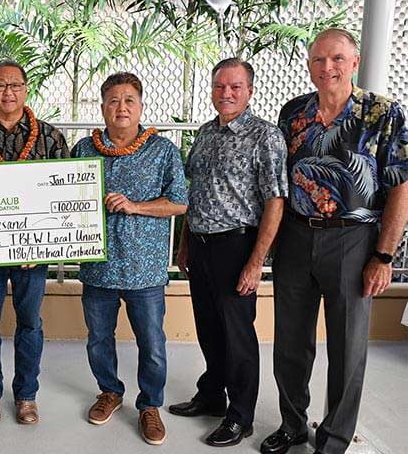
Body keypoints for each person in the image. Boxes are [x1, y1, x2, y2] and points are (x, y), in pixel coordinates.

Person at [261, 29, 408, 454]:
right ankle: (292, 425)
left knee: (347, 348)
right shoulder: (293, 114)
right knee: (290, 340)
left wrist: (384, 255)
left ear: (354, 62)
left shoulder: (383, 113)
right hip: (295, 236)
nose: (328, 68)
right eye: (319, 60)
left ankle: (333, 439)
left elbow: (400, 187)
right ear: (310, 66)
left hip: (353, 241)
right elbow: (278, 181)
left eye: (337, 59)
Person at [170, 59, 288, 447]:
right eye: (220, 86)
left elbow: (275, 201)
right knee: (208, 327)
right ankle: (211, 395)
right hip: (201, 246)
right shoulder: (205, 133)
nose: (227, 93)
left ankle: (241, 416)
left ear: (250, 91)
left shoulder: (264, 136)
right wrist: (186, 243)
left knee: (238, 336)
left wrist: (256, 262)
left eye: (235, 87)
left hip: (237, 245)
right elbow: (195, 195)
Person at [71, 72, 188, 446]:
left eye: (129, 100)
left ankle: (150, 405)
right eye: (113, 100)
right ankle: (109, 391)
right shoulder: (84, 150)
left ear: (140, 106)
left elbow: (180, 201)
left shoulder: (163, 150)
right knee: (98, 339)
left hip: (146, 268)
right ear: (103, 107)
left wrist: (136, 206)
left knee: (151, 343)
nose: (121, 107)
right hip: (97, 266)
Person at [0, 60, 70, 426]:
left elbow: (63, 196)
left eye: (15, 86)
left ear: (26, 89)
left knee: (30, 324)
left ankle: (26, 395)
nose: (8, 93)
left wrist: (43, 246)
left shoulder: (51, 138)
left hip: (33, 254)